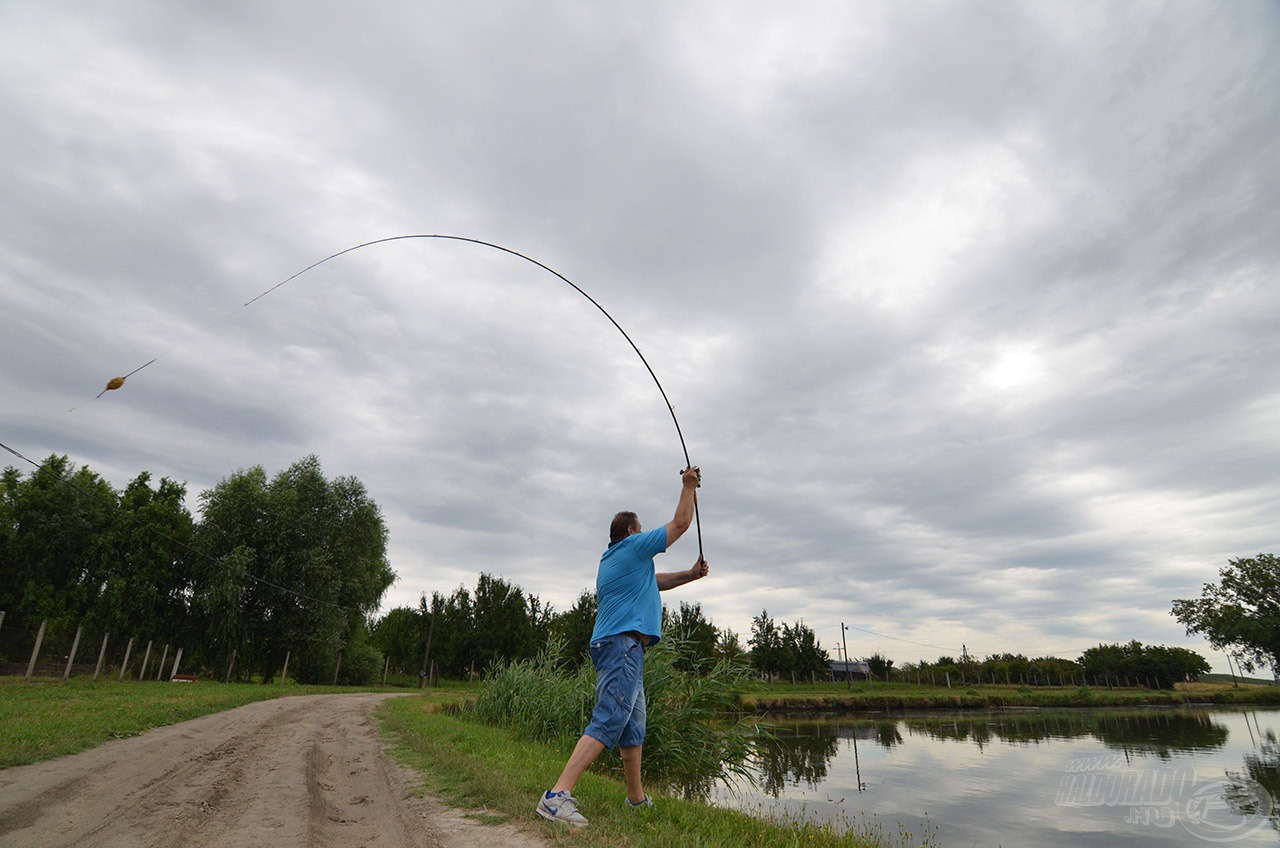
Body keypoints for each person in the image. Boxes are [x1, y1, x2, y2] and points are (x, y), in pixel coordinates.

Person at [536, 465, 709, 827]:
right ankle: (556, 796)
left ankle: (635, 799)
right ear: (631, 531)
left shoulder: (618, 561)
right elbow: (679, 525)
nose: (645, 535)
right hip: (622, 645)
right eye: (641, 529)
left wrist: (690, 575)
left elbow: (656, 581)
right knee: (611, 717)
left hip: (622, 646)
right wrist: (688, 487)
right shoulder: (632, 546)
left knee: (633, 727)